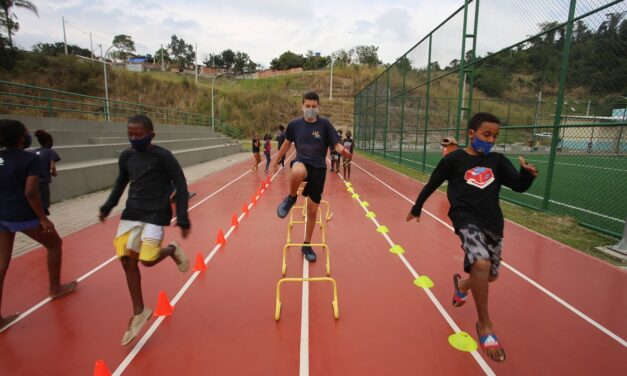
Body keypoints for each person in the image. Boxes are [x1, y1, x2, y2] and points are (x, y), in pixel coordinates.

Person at [406, 112, 538, 362]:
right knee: (480, 263)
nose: (491, 140)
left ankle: (463, 285)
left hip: (493, 223)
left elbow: (518, 186)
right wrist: (417, 207)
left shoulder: (498, 161)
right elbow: (433, 183)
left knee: (488, 275)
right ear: (471, 133)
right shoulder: (454, 159)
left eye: (495, 136)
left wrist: (527, 176)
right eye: (486, 134)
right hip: (465, 218)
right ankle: (485, 324)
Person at [99, 114, 190, 346]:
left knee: (147, 260)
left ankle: (171, 250)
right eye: (130, 134)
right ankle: (139, 311)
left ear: (151, 135)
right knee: (127, 261)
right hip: (131, 214)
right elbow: (121, 182)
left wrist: (182, 216)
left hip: (155, 215)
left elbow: (180, 182)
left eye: (138, 135)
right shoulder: (127, 156)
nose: (134, 139)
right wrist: (108, 206)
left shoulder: (163, 156)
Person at [0, 119, 77, 331]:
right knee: (54, 244)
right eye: (25, 132)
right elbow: (31, 192)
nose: (28, 135)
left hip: (2, 216)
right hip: (23, 215)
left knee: (1, 263)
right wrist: (43, 218)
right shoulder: (29, 159)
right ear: (19, 138)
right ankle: (55, 288)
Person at [272, 91, 352, 262]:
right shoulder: (294, 125)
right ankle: (291, 198)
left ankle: (306, 245)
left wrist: (343, 151)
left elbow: (336, 144)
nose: (310, 109)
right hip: (302, 161)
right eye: (307, 106)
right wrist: (276, 160)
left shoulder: (325, 125)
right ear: (302, 106)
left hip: (319, 169)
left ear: (318, 107)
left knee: (313, 210)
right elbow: (286, 144)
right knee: (297, 172)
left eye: (314, 107)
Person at [30, 129, 61, 216]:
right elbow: (52, 166)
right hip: (43, 181)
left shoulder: (33, 151)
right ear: (48, 141)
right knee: (44, 203)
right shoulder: (50, 151)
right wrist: (54, 173)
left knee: (35, 200)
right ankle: (42, 219)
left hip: (32, 180)